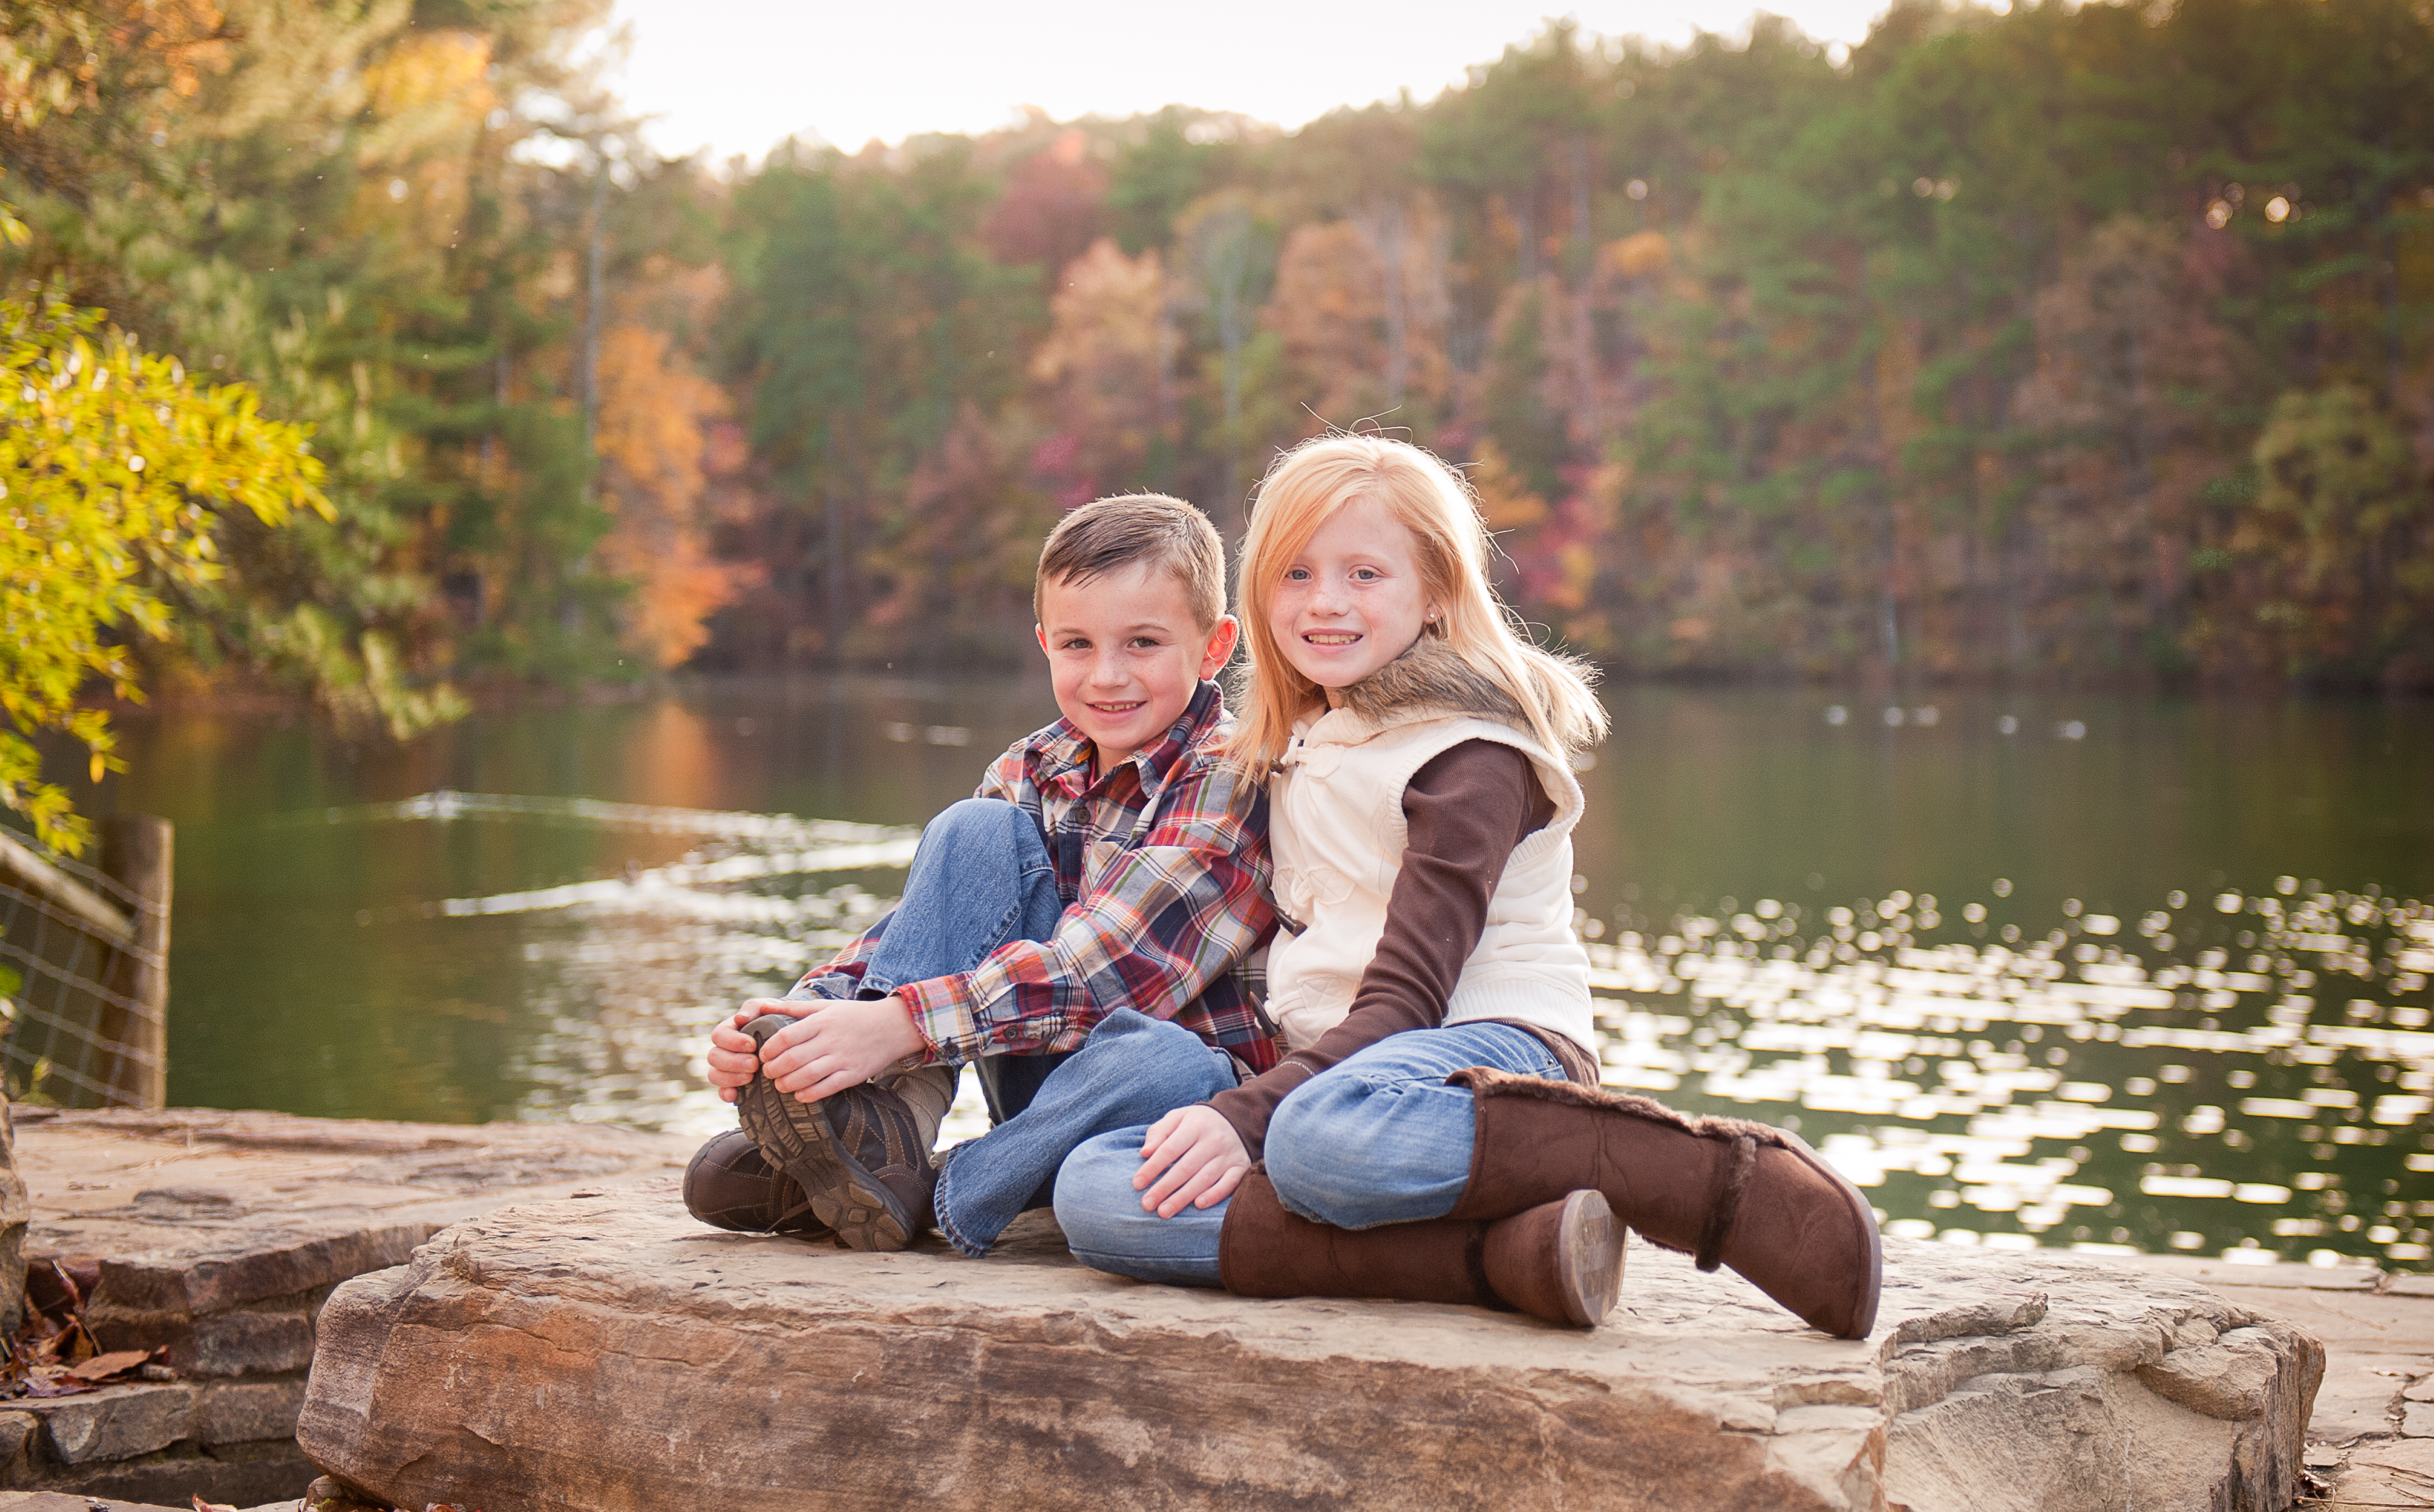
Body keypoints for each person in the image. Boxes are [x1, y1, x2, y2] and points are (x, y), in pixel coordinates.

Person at [1048, 433, 1884, 1338]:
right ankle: (1503, 1258)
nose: (1325, 602)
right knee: (1093, 1188)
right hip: (1348, 1077)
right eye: (1295, 574)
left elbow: (1408, 999)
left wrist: (1244, 1116)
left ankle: (1700, 1177)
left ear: (1438, 590)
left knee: (1312, 1141)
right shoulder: (1309, 735)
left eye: (1365, 574)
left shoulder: (1471, 753)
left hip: (1487, 1049)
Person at [684, 493, 1277, 1258]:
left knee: (1167, 1061)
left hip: (1154, 1098)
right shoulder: (1030, 766)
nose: (1107, 676)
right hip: (1039, 1078)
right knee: (970, 832)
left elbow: (1109, 979)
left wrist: (897, 1026)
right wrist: (802, 1025)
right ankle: (876, 1119)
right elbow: (925, 928)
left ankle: (935, 1188)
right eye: (1076, 645)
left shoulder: (1231, 775)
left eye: (1142, 643)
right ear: (1043, 644)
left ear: (1214, 646)